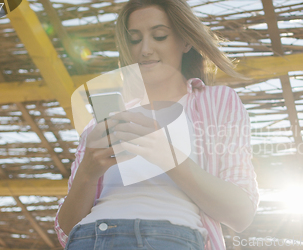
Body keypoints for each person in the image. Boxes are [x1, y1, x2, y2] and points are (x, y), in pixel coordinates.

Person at [54, 0, 259, 249]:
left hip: (170, 239)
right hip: (91, 239)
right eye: (134, 39)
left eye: (159, 36)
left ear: (186, 41)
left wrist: (169, 157)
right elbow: (66, 233)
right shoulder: (103, 122)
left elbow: (241, 213)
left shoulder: (217, 102)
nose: (145, 49)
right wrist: (87, 173)